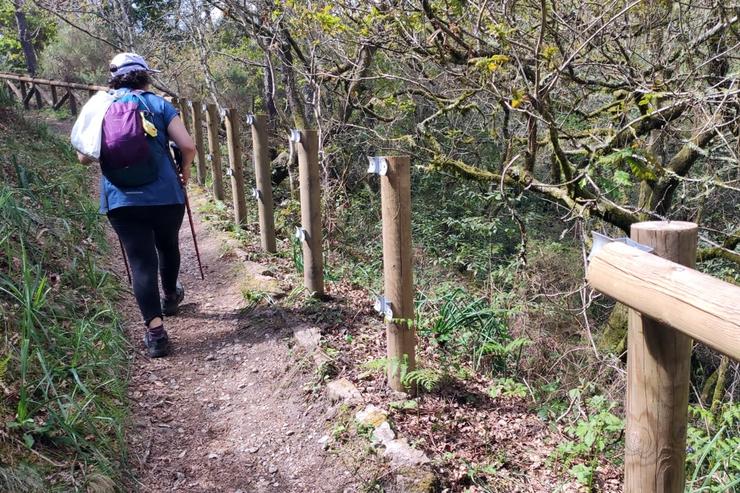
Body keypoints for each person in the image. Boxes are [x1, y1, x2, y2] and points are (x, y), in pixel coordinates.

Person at [76, 52, 196, 358]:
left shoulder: (101, 107)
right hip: (166, 195)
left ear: (114, 78)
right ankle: (170, 296)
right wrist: (185, 171)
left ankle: (156, 336)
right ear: (145, 76)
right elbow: (188, 146)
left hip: (121, 199)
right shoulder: (158, 104)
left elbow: (83, 156)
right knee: (167, 245)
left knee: (141, 261)